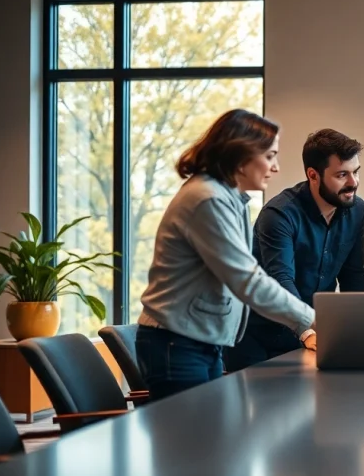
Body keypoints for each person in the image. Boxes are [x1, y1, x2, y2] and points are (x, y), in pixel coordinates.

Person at [135, 109, 316, 401]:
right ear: (241, 156)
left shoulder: (228, 197)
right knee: (194, 441)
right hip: (177, 342)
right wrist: (312, 320)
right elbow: (248, 281)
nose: (276, 167)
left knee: (208, 438)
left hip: (199, 340)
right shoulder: (208, 199)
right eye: (269, 156)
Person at [224, 129, 364, 371]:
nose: (353, 182)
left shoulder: (356, 210)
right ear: (313, 175)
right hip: (257, 337)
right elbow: (281, 279)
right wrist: (307, 330)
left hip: (311, 335)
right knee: (262, 406)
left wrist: (360, 330)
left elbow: (353, 277)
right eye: (342, 174)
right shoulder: (279, 215)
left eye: (355, 172)